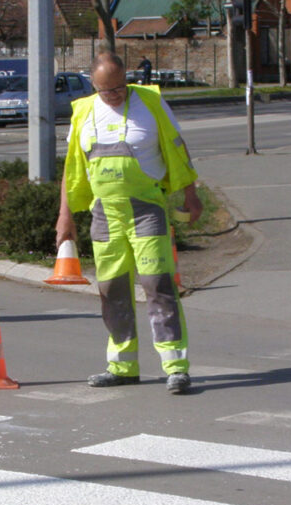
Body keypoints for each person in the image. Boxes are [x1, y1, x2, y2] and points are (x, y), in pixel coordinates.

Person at [56, 52, 202, 394]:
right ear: (94, 85)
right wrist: (65, 216)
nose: (116, 95)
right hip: (105, 215)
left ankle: (175, 367)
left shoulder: (150, 103)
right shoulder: (84, 111)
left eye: (120, 87)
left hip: (146, 211)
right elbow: (73, 168)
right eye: (107, 91)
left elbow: (177, 149)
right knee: (111, 290)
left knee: (158, 285)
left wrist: (189, 194)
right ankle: (122, 366)